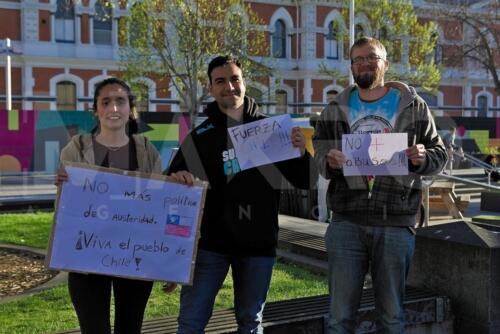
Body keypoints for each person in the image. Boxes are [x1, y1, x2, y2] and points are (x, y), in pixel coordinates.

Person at [166, 55, 315, 333]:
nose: (229, 87)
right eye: (220, 81)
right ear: (210, 88)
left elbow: (306, 181)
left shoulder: (273, 131)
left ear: (244, 82)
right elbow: (170, 187)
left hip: (258, 245)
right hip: (210, 245)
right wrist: (177, 179)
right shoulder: (200, 136)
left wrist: (301, 153)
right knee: (191, 322)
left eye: (235, 79)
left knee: (251, 322)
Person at [312, 37, 447, 333]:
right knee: (339, 318)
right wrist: (328, 161)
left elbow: (440, 154)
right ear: (351, 67)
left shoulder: (413, 104)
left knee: (392, 316)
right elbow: (318, 154)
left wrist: (422, 156)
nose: (364, 64)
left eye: (371, 58)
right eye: (357, 59)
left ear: (385, 63)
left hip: (396, 222)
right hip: (346, 221)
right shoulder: (335, 108)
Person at [55, 77, 176, 334]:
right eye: (106, 101)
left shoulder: (146, 150)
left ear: (130, 109)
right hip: (86, 257)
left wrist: (168, 261)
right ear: (96, 109)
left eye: (120, 101)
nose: (113, 108)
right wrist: (63, 186)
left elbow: (157, 209)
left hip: (135, 257)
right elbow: (67, 210)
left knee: (129, 329)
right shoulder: (75, 148)